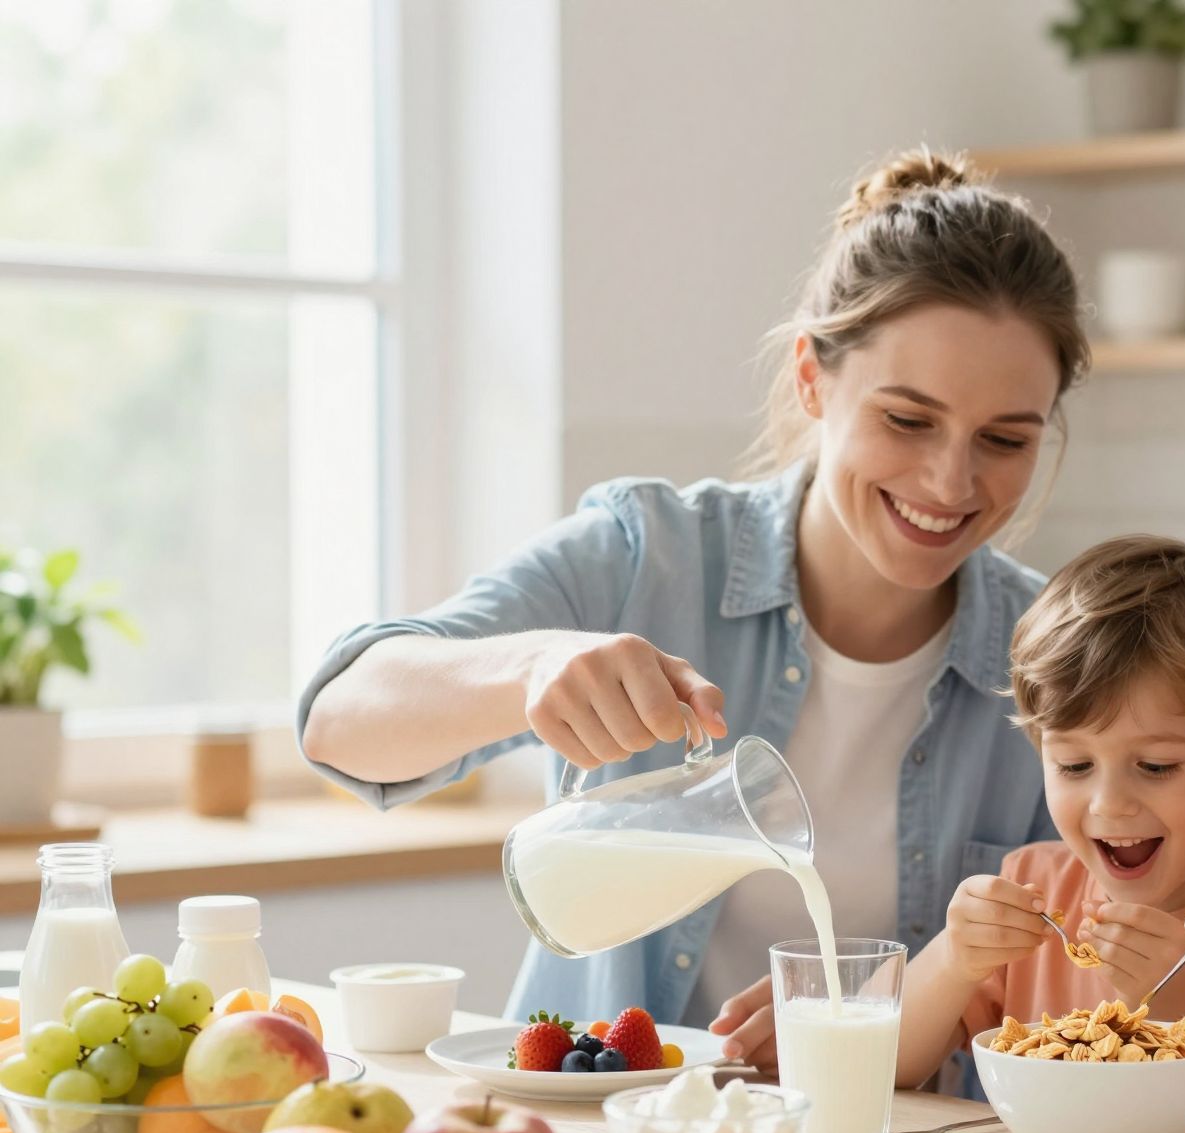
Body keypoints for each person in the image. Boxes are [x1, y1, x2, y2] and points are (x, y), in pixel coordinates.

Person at [299, 150, 1088, 1047]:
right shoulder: (651, 560)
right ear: (810, 378)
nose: (951, 480)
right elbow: (339, 717)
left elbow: (1072, 1002)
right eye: (907, 420)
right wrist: (531, 666)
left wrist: (901, 1012)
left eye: (1005, 439)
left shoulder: (1051, 661)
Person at [881, 536, 1185, 1089]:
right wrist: (954, 959)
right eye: (1074, 765)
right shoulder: (1037, 890)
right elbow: (883, 1073)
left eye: (1156, 766)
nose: (1109, 803)